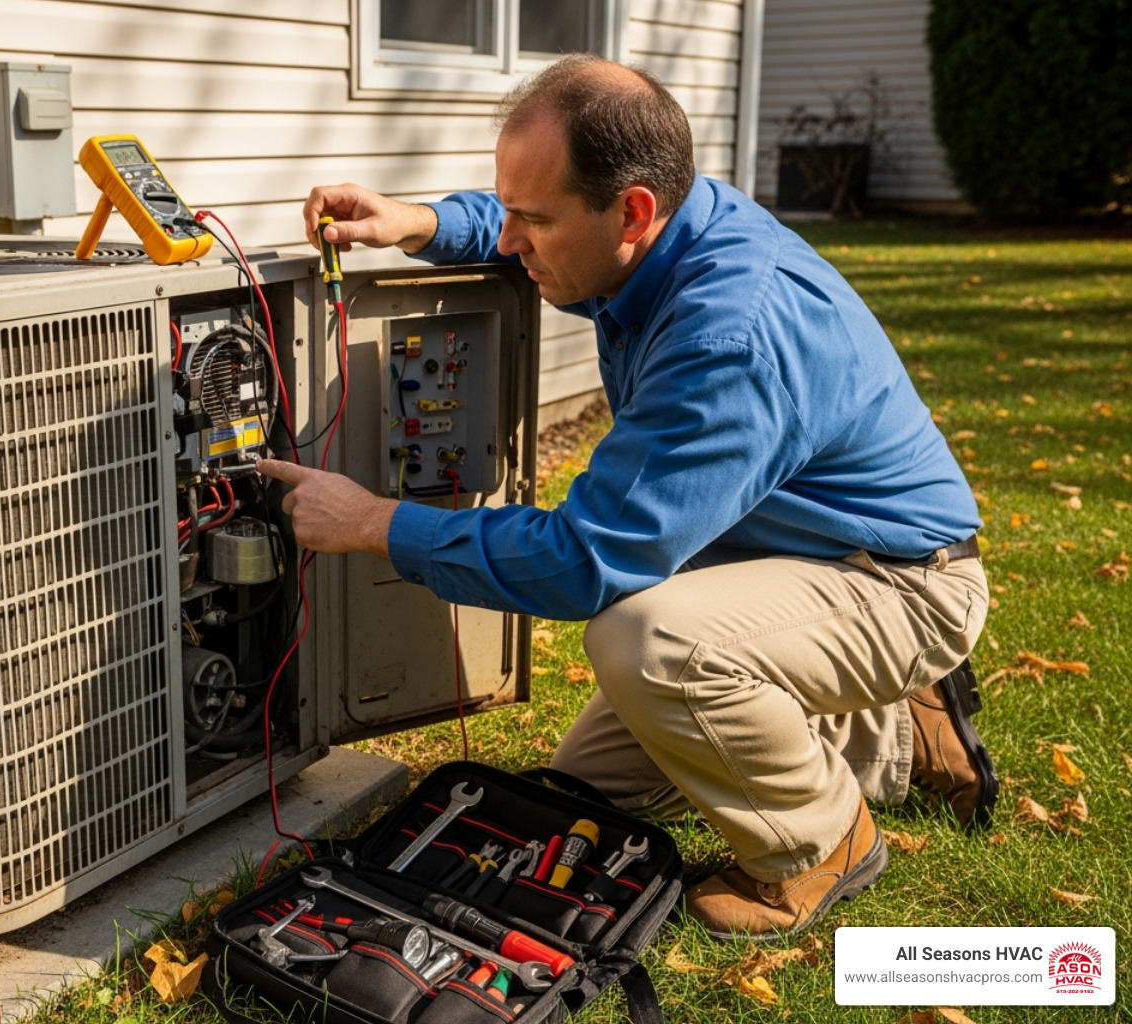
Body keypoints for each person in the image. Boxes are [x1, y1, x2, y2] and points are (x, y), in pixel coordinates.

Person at [256, 54, 996, 940]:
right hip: (781, 554)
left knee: (652, 646)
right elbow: (521, 216)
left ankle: (823, 845)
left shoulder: (731, 332)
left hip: (897, 581)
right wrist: (417, 222)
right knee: (577, 799)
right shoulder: (665, 223)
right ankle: (900, 734)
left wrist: (375, 523)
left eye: (531, 220)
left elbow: (586, 562)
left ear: (633, 212)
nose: (507, 240)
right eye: (509, 209)